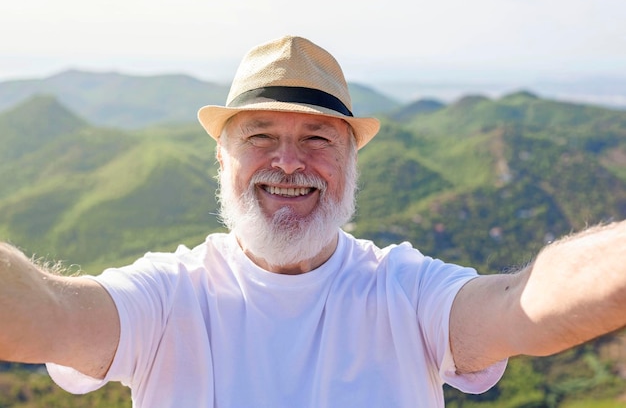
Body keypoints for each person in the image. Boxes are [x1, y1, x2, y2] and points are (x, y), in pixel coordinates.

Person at [0, 35, 624, 408]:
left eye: (319, 138)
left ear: (352, 161)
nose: (289, 162)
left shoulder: (406, 293)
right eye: (261, 135)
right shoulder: (167, 297)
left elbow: (523, 302)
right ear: (223, 157)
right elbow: (48, 312)